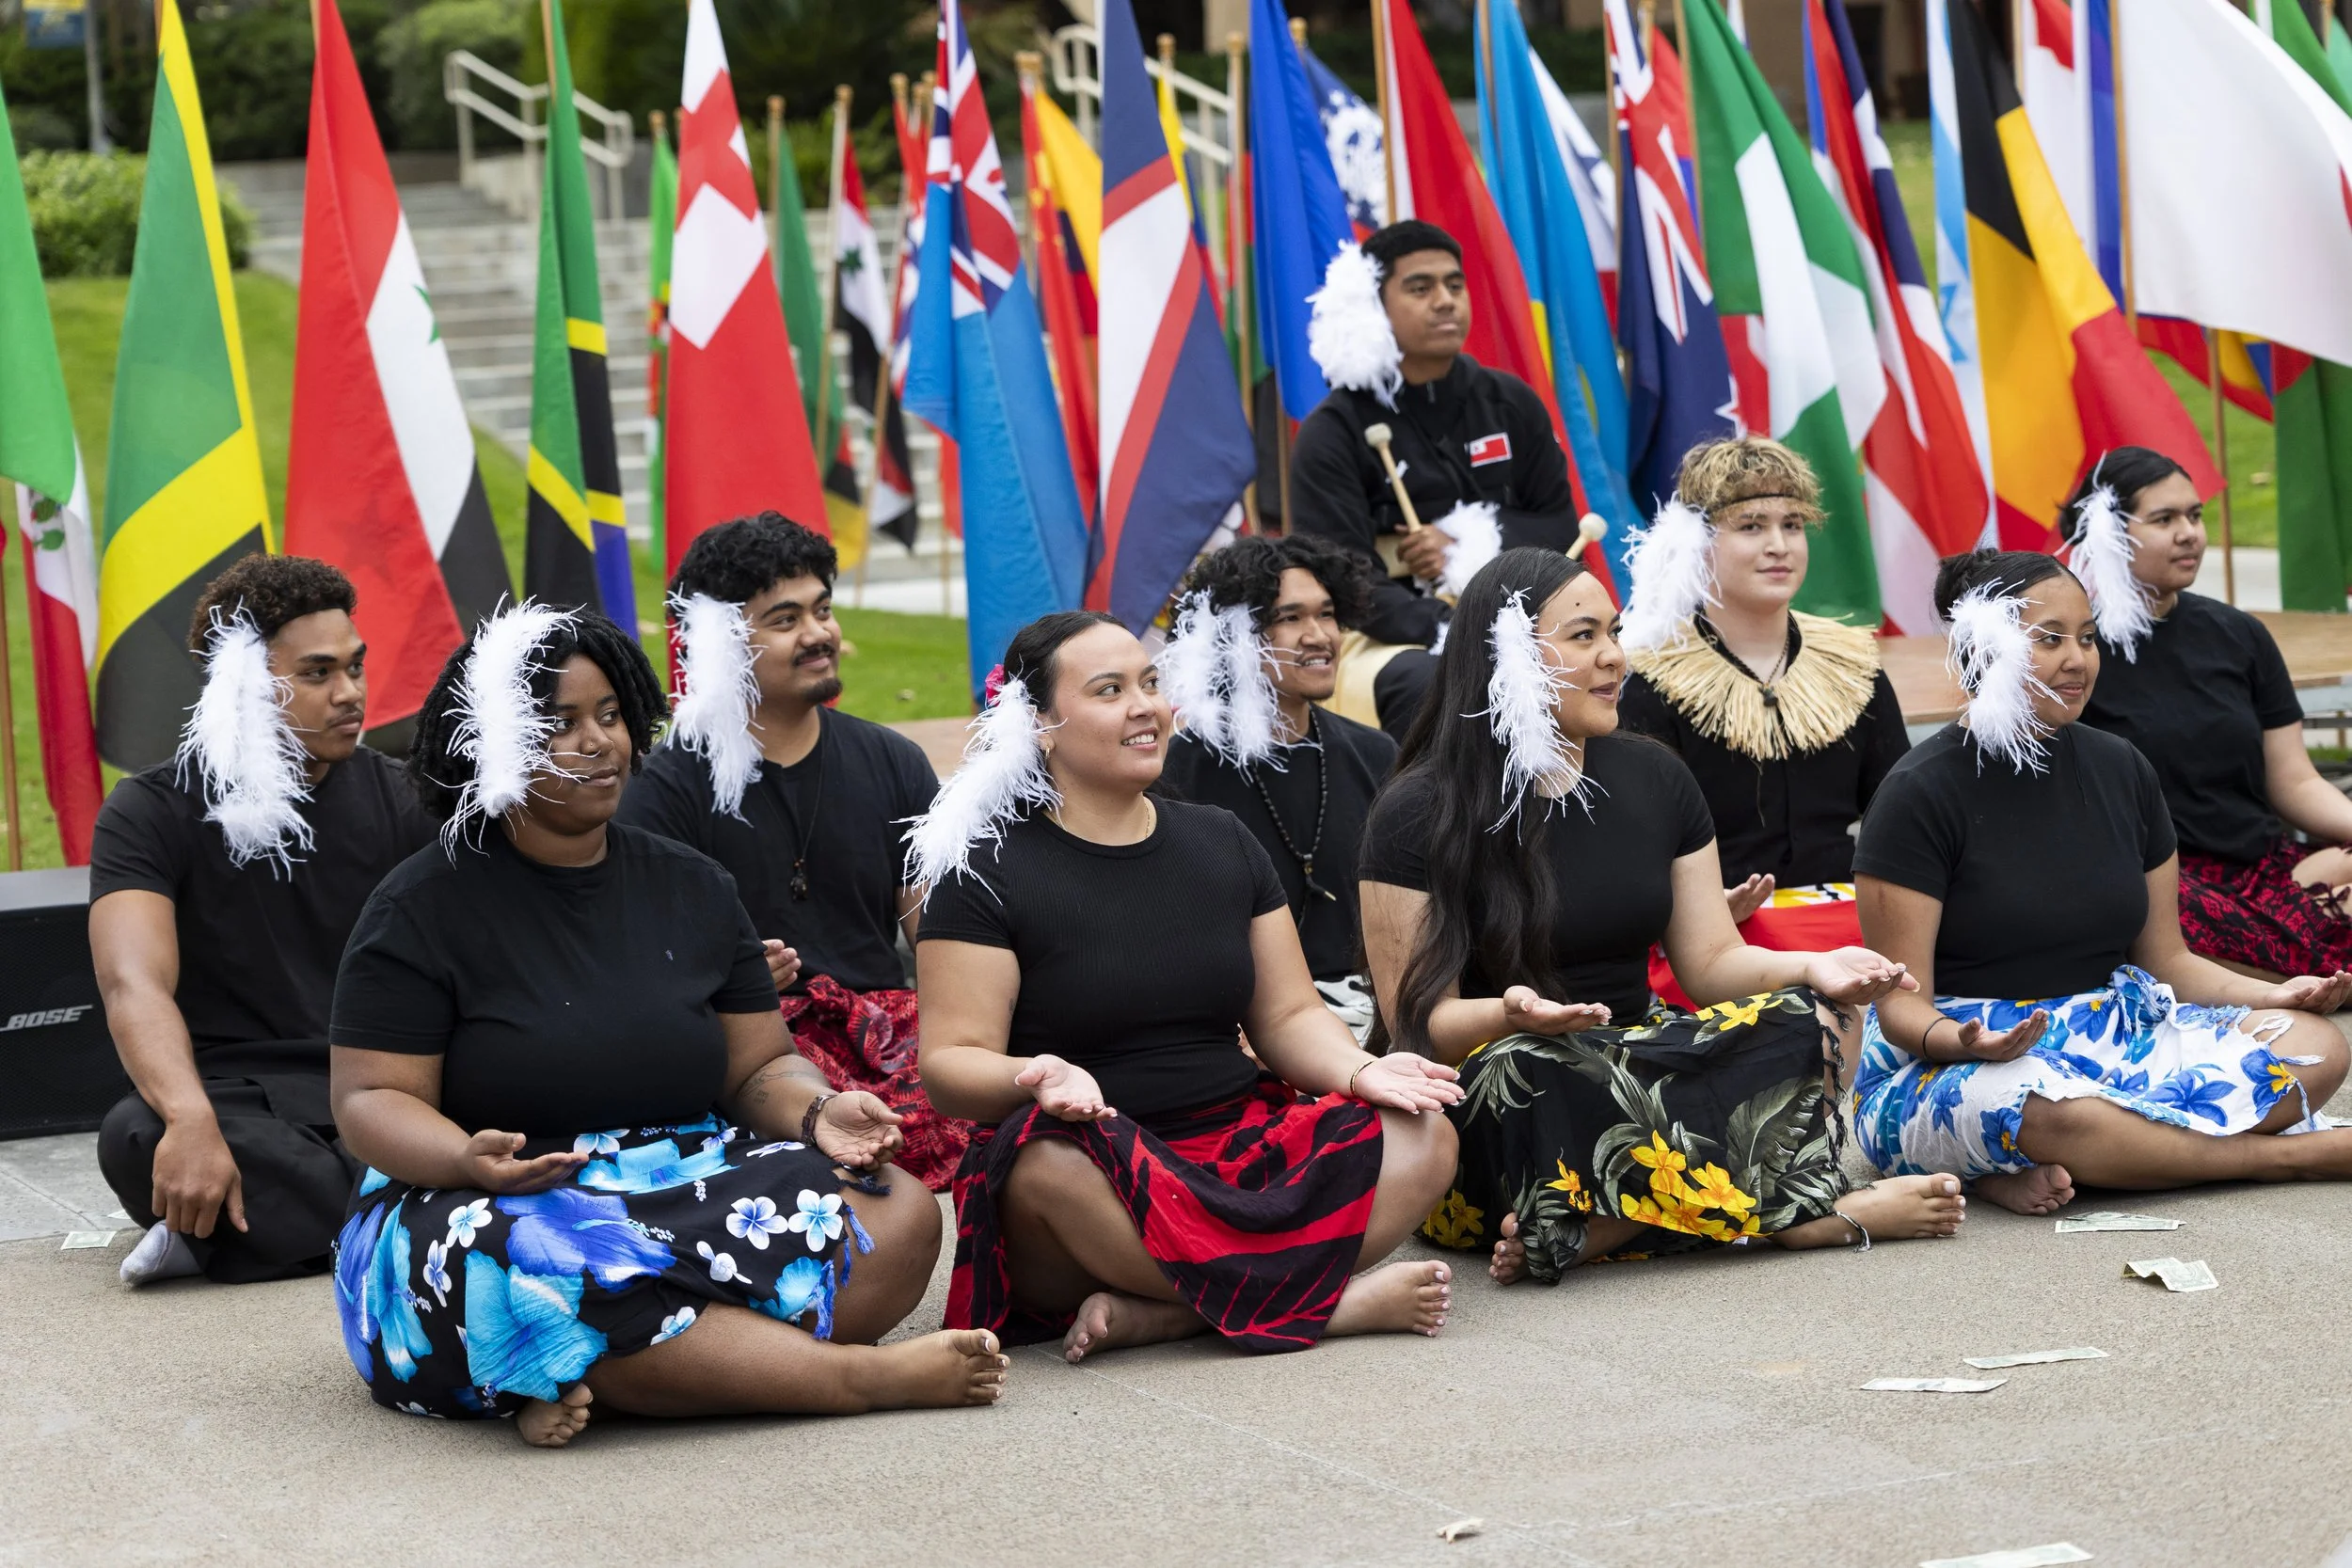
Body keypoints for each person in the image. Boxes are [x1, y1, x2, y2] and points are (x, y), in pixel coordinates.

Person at [329, 604, 1004, 1446]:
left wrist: (816, 1111)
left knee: (898, 1212)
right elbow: (370, 1097)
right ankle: (851, 1379)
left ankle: (599, 1373)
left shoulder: (693, 884)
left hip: (683, 1171)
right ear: (488, 735)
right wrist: (461, 1157)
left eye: (610, 716)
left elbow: (757, 1067)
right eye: (561, 722)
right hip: (498, 1195)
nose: (598, 742)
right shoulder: (418, 905)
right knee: (521, 1263)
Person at [1357, 547, 1964, 1287]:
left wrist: (1816, 967)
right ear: (1504, 653)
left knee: (1817, 1016)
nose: (1615, 656)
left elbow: (1711, 965)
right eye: (1583, 636)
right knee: (1530, 1069)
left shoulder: (1655, 776)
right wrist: (1513, 1016)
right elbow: (1417, 1026)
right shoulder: (1416, 809)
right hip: (1496, 1094)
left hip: (1636, 1064)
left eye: (1613, 632)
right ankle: (1806, 1208)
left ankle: (1600, 1230)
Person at [912, 611, 1464, 1361]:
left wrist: (1365, 1070)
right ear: (1038, 725)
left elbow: (1290, 1014)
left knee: (1423, 1133)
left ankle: (1171, 1313)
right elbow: (950, 1064)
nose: (1145, 705)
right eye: (1110, 690)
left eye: (1149, 682)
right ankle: (1322, 1303)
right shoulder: (987, 870)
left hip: (1235, 1142)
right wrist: (1032, 1074)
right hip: (1096, 1164)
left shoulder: (1221, 838)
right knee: (1042, 1166)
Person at [1853, 549, 2352, 1217]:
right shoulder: (1918, 793)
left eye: (2087, 637)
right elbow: (1900, 1006)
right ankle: (2280, 1156)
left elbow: (2167, 959)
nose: (2078, 659)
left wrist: (2278, 993)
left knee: (2316, 1046)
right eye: (2049, 638)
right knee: (2051, 1112)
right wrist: (1964, 1041)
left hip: (2113, 1030)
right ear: (1985, 646)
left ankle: (2076, 1162)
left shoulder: (2123, 768)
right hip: (1961, 1056)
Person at [90, 556, 436, 1288]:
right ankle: (411, 1218)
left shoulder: (405, 799)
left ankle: (229, 1236)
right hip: (235, 1097)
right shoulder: (149, 810)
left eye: (355, 666)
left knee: (502, 1113)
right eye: (317, 674)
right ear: (241, 681)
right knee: (135, 1136)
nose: (350, 694)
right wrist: (188, 1119)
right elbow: (133, 985)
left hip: (379, 1085)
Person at [616, 514, 958, 1185]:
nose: (818, 634)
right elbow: (640, 963)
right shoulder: (666, 787)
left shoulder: (893, 760)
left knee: (990, 1108)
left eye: (823, 610)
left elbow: (941, 937)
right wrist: (728, 978)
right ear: (721, 643)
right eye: (785, 618)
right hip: (759, 1046)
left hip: (888, 1030)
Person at [1615, 437, 1909, 1004]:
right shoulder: (1651, 680)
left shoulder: (1854, 663)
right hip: (1716, 944)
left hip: (1860, 924)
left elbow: (1905, 814)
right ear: (1697, 543)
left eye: (1793, 524)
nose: (1779, 545)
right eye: (1751, 525)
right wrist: (1689, 913)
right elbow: (1631, 849)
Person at [2067, 446, 2352, 979]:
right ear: (2106, 531)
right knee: (2151, 922)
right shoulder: (2078, 652)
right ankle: (2285, 970)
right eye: (2165, 519)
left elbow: (2293, 780)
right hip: (2165, 884)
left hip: (2269, 869)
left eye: (2195, 516)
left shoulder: (2239, 634)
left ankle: (2276, 966)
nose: (2190, 533)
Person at [1289, 220, 1581, 741]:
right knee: (1431, 682)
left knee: (1609, 664)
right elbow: (1342, 579)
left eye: (1454, 284)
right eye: (1420, 288)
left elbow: (1558, 524)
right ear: (1374, 309)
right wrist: (1450, 627)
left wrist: (1465, 543)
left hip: (1517, 611)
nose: (1445, 300)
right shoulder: (1332, 431)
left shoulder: (1510, 402)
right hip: (1382, 635)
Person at [1158, 534, 1397, 1036]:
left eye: (1327, 614)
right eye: (1290, 618)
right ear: (1235, 636)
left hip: (1378, 1017)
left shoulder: (1375, 753)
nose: (1319, 636)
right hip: (1241, 1027)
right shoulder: (1178, 771)